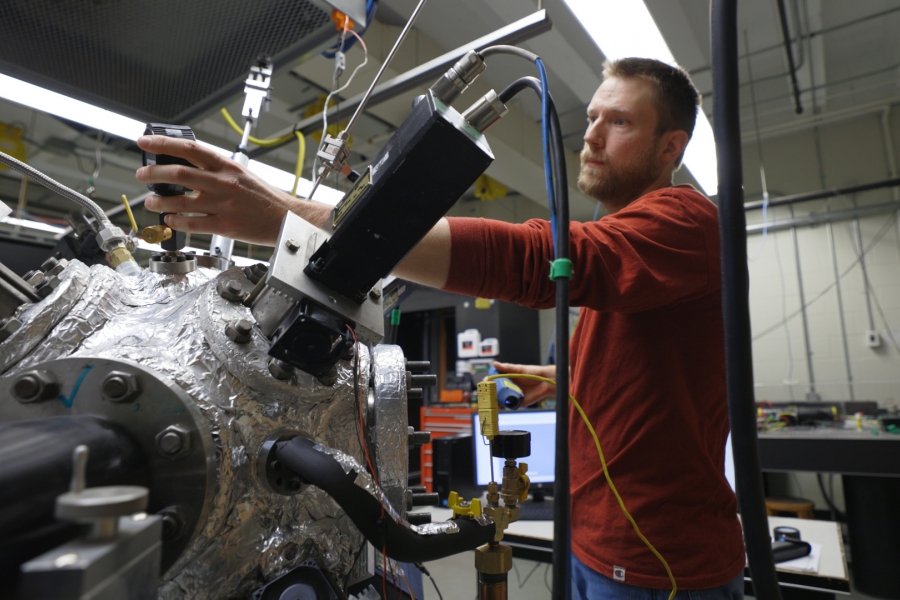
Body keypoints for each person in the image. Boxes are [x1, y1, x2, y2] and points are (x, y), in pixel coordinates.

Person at [136, 57, 745, 598]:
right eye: (591, 117)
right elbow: (662, 369)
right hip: (593, 540)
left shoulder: (685, 220)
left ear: (671, 147)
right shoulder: (641, 248)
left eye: (620, 122)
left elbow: (536, 262)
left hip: (659, 563)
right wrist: (562, 377)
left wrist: (286, 217)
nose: (590, 135)